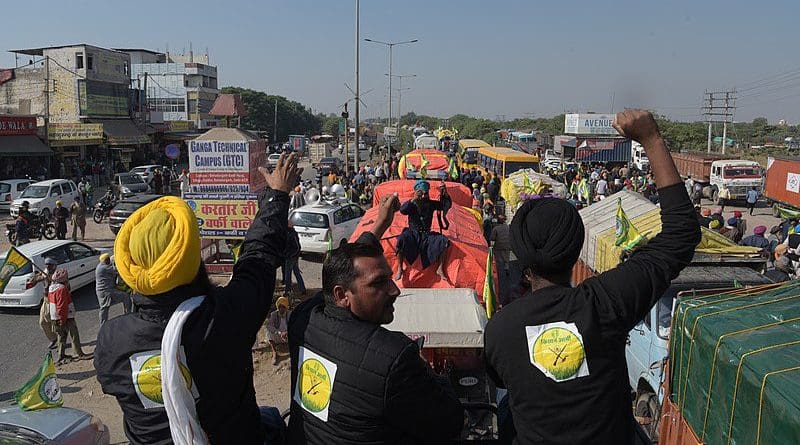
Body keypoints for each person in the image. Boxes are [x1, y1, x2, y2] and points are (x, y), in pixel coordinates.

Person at [484, 110, 700, 444]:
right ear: (576, 248)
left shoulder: (501, 329)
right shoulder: (604, 303)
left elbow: (500, 379)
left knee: (506, 405)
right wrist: (651, 139)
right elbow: (682, 234)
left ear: (521, 257)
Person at [94, 153, 301, 444]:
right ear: (192, 259)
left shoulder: (110, 341)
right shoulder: (226, 317)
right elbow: (257, 258)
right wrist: (277, 196)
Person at [287, 192, 464, 444]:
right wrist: (429, 370)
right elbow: (449, 421)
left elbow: (340, 271)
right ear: (342, 295)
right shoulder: (394, 357)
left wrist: (380, 224)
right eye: (379, 283)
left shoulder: (303, 320)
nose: (394, 290)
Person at [395, 180, 452, 281]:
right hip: (413, 233)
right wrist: (413, 199)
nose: (424, 196)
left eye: (426, 193)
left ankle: (440, 268)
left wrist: (445, 193)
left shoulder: (430, 203)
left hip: (426, 234)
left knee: (444, 241)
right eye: (422, 193)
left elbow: (445, 205)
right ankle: (400, 267)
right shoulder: (412, 204)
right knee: (401, 239)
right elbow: (402, 210)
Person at [49, 269, 90, 365]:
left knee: (61, 336)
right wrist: (62, 320)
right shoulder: (61, 289)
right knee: (74, 333)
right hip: (65, 316)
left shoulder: (52, 288)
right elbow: (62, 306)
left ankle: (61, 355)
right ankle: (79, 353)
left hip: (55, 316)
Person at [29, 257, 59, 349]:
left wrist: (51, 279)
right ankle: (53, 338)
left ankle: (61, 340)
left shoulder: (59, 273)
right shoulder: (44, 272)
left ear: (54, 265)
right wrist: (36, 277)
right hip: (46, 300)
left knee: (53, 321)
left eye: (50, 265)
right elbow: (33, 282)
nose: (48, 267)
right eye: (47, 265)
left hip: (55, 300)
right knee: (43, 322)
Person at [95, 253, 132, 325]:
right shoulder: (104, 268)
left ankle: (103, 324)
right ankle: (128, 315)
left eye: (109, 258)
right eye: (107, 259)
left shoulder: (102, 265)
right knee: (125, 297)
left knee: (104, 308)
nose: (109, 260)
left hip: (105, 290)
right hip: (106, 291)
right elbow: (118, 270)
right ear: (104, 261)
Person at [283, 222, 306, 296]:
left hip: (291, 257)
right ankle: (302, 289)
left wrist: (291, 255)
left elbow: (297, 247)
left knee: (288, 275)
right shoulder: (291, 233)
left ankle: (287, 291)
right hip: (292, 256)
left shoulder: (291, 234)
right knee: (296, 273)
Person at [267, 296, 291, 365]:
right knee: (269, 332)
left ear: (286, 307)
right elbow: (269, 326)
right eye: (280, 306)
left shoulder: (290, 314)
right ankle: (274, 352)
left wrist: (286, 332)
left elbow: (294, 325)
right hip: (278, 335)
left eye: (283, 307)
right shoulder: (273, 314)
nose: (281, 308)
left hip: (287, 335)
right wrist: (279, 333)